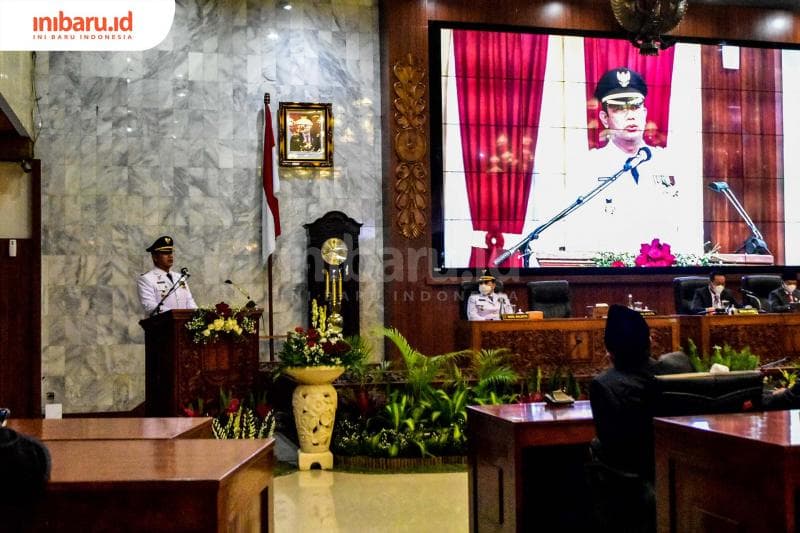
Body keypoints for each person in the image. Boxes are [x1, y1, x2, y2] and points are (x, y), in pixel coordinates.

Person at [561, 67, 700, 255]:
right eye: (619, 109)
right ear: (604, 118)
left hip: (665, 275)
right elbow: (578, 236)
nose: (630, 116)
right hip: (609, 277)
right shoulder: (587, 167)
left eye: (635, 107)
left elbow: (687, 230)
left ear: (644, 113)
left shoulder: (669, 163)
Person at [588, 304, 657, 532]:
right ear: (650, 341)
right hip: (673, 474)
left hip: (630, 483)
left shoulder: (604, 385)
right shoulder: (676, 368)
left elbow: (610, 444)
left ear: (609, 350)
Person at [137, 235, 197, 316]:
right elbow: (150, 306)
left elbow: (189, 301)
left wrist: (198, 315)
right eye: (165, 253)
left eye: (170, 252)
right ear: (155, 257)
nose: (170, 256)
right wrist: (175, 314)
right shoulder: (147, 279)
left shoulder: (180, 277)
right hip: (162, 325)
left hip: (184, 325)